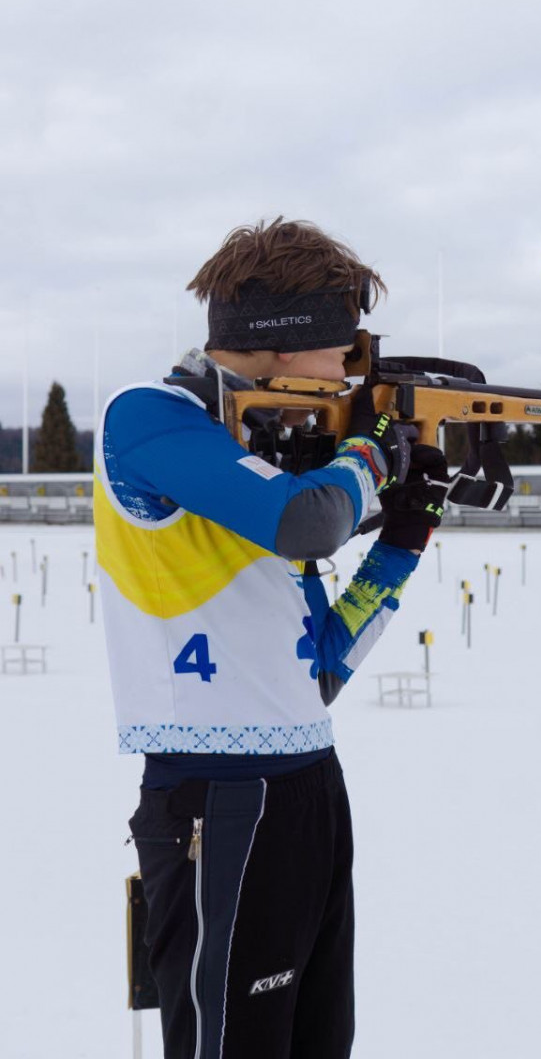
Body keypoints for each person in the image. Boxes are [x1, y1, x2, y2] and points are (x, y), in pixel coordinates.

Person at [95, 217, 449, 1059]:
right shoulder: (149, 417)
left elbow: (317, 668)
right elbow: (308, 520)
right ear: (287, 348)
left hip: (308, 787)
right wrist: (371, 448)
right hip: (217, 795)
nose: (350, 371)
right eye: (344, 352)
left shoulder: (272, 457)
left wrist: (404, 538)